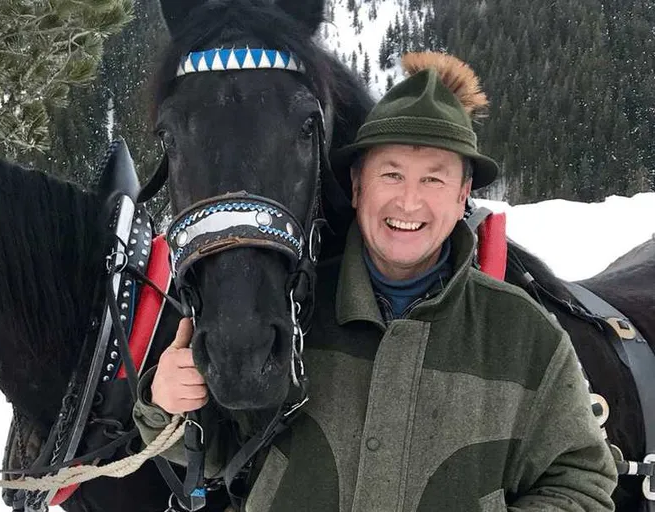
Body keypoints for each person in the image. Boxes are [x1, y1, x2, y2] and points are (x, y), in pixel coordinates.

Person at [134, 52, 618, 511]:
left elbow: (582, 479)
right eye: (391, 175)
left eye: (433, 180)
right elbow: (218, 455)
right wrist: (172, 405)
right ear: (358, 184)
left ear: (462, 196)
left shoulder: (524, 334)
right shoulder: (290, 312)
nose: (408, 203)